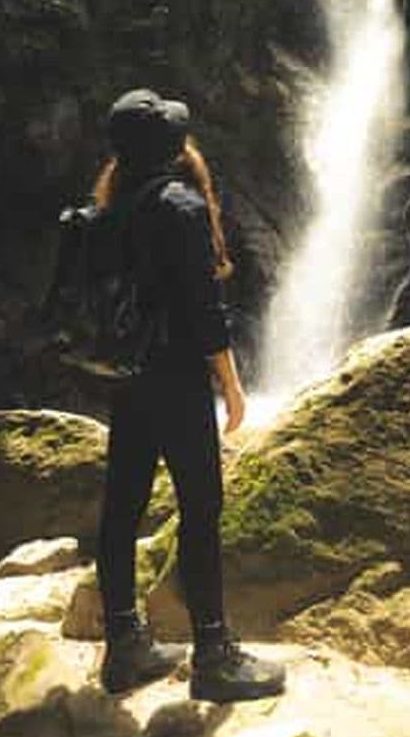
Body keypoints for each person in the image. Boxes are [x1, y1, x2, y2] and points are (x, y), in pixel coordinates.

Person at [92, 87, 285, 702]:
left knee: (121, 510)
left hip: (126, 380)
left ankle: (124, 648)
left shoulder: (108, 209)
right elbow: (203, 310)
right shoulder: (178, 206)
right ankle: (213, 655)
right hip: (175, 380)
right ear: (172, 148)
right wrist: (230, 383)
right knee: (201, 509)